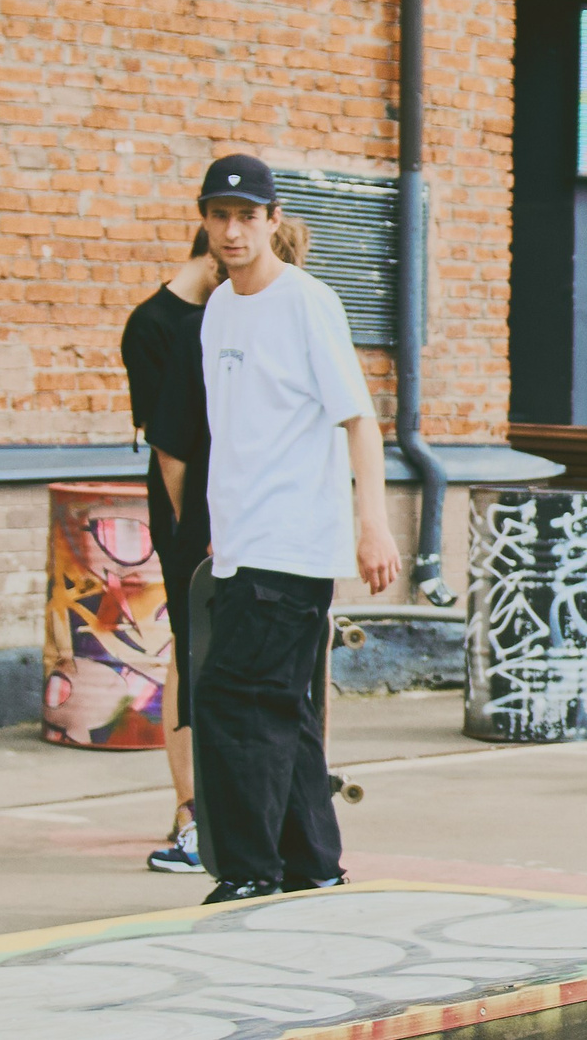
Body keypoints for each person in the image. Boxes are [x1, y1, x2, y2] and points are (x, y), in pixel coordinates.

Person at [192, 155, 400, 904]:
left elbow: (360, 421)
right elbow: (236, 429)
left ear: (273, 221)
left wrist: (370, 527)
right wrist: (223, 524)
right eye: (220, 215)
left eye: (247, 217)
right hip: (244, 544)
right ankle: (312, 861)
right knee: (284, 705)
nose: (233, 230)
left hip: (295, 542)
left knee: (229, 698)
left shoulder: (307, 302)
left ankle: (251, 869)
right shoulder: (220, 308)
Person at [118, 227, 221, 874]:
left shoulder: (235, 308)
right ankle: (189, 809)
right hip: (190, 506)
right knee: (189, 648)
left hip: (238, 501)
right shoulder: (153, 326)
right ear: (215, 246)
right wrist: (192, 524)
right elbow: (170, 442)